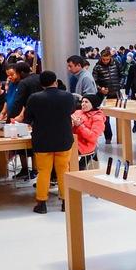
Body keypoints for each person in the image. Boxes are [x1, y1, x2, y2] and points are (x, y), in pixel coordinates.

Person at [24, 70, 77, 214]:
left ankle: (41, 203)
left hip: (42, 140)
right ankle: (65, 202)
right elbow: (72, 111)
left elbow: (27, 119)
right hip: (64, 139)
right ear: (56, 81)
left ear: (41, 84)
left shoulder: (34, 98)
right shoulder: (67, 96)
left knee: (43, 172)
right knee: (64, 170)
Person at [71, 93, 106, 169]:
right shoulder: (77, 112)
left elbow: (93, 137)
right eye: (82, 102)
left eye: (86, 102)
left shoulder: (97, 118)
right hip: (73, 141)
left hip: (85, 145)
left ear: (93, 104)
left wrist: (80, 125)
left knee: (63, 152)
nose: (83, 104)